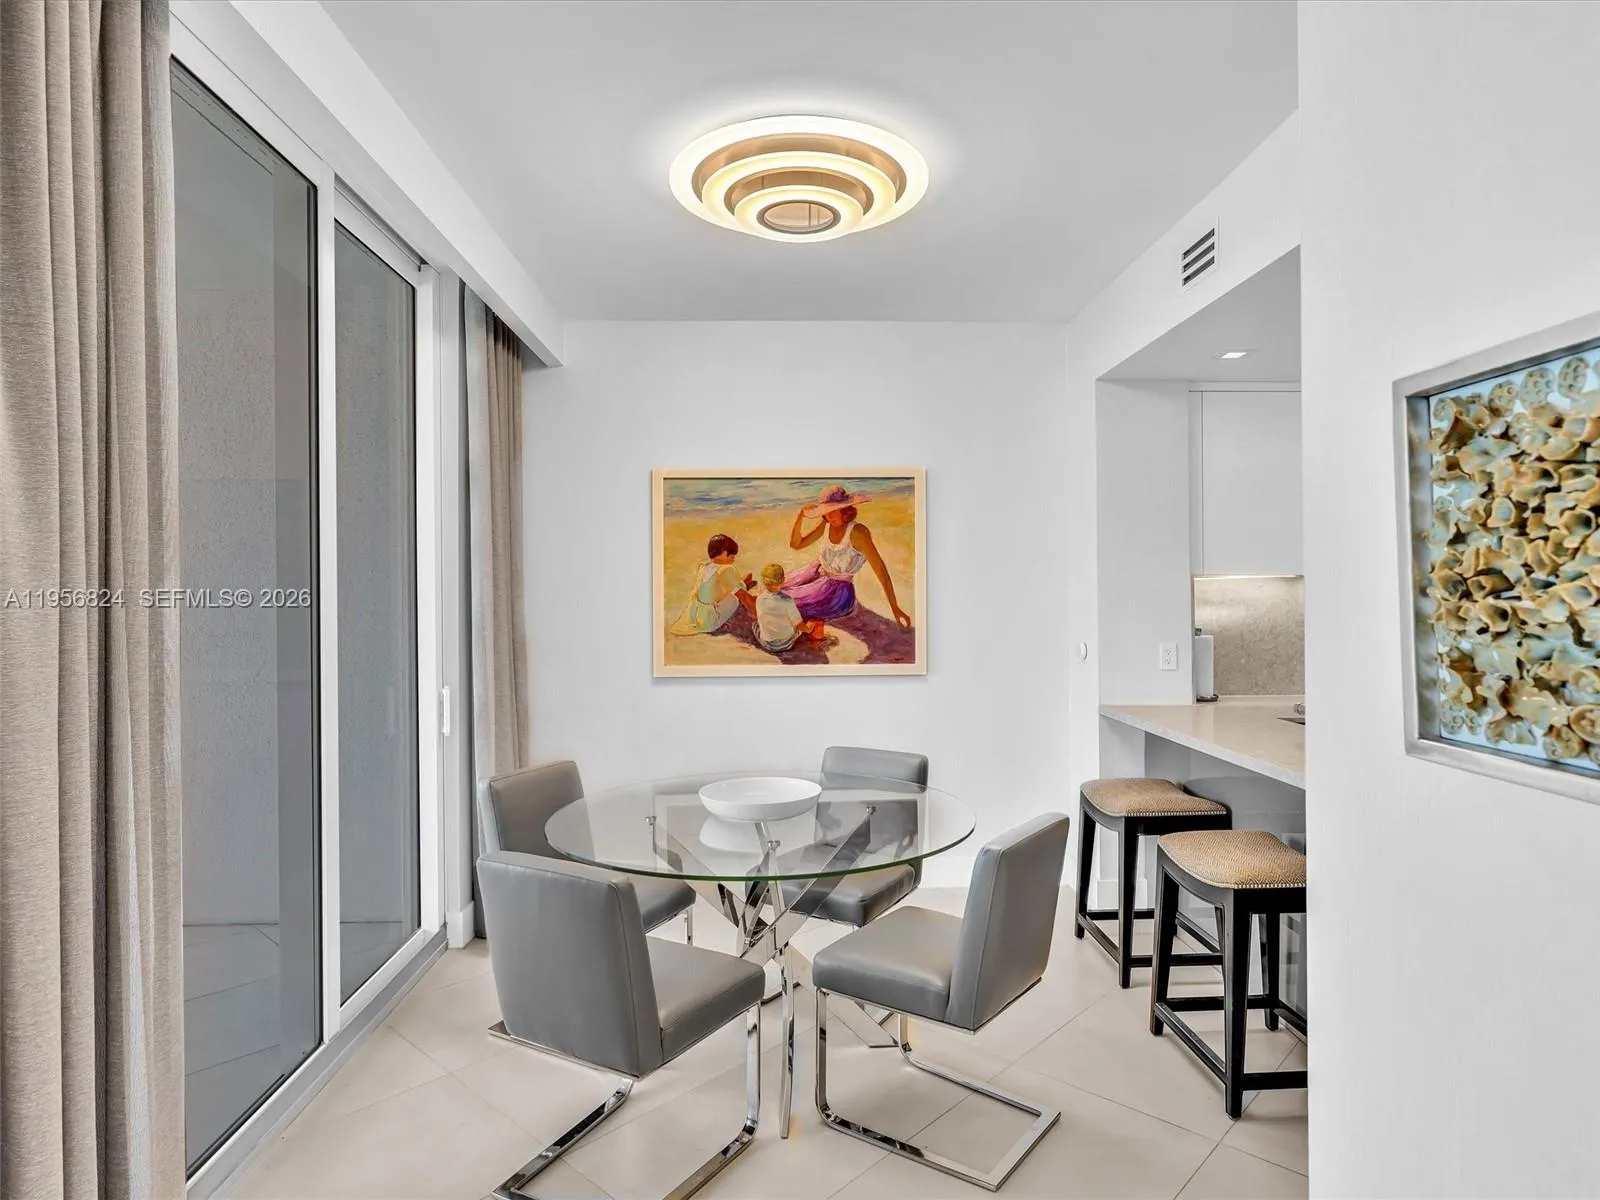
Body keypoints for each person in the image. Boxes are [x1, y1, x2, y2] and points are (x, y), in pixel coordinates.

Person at [785, 485, 913, 628]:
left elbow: (880, 570)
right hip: (817, 573)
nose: (829, 516)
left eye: (834, 511)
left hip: (838, 594)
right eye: (827, 512)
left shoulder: (858, 533)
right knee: (777, 589)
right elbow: (796, 544)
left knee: (786, 603)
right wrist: (801, 516)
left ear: (845, 510)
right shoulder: (827, 524)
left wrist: (895, 607)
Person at [670, 532, 755, 635]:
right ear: (724, 553)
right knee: (736, 596)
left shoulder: (703, 566)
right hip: (710, 621)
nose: (733, 559)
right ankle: (742, 585)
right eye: (732, 555)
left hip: (696, 616)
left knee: (733, 586)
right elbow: (743, 597)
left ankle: (741, 584)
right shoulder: (726, 569)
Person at [754, 562, 825, 652]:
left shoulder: (759, 599)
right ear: (783, 580)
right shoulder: (787, 600)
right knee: (809, 623)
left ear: (764, 581)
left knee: (755, 625)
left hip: (767, 643)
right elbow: (799, 625)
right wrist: (808, 629)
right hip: (786, 643)